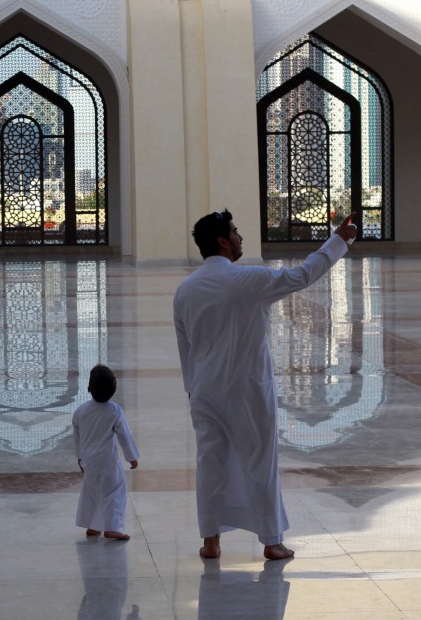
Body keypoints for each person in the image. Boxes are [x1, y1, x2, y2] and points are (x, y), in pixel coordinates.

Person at [173, 209, 356, 560]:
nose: (240, 237)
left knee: (210, 463)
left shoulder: (185, 290)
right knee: (260, 460)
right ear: (223, 241)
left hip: (205, 392)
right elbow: (303, 275)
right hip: (248, 390)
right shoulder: (250, 281)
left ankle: (211, 541)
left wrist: (194, 390)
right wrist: (338, 241)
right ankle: (271, 541)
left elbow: (186, 350)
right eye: (236, 231)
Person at [74, 364, 139, 540]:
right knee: (115, 491)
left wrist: (80, 458)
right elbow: (124, 435)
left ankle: (93, 526)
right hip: (108, 461)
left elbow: (77, 437)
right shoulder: (114, 411)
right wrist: (131, 457)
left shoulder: (80, 411)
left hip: (89, 461)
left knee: (92, 492)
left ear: (89, 388)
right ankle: (111, 527)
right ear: (113, 389)